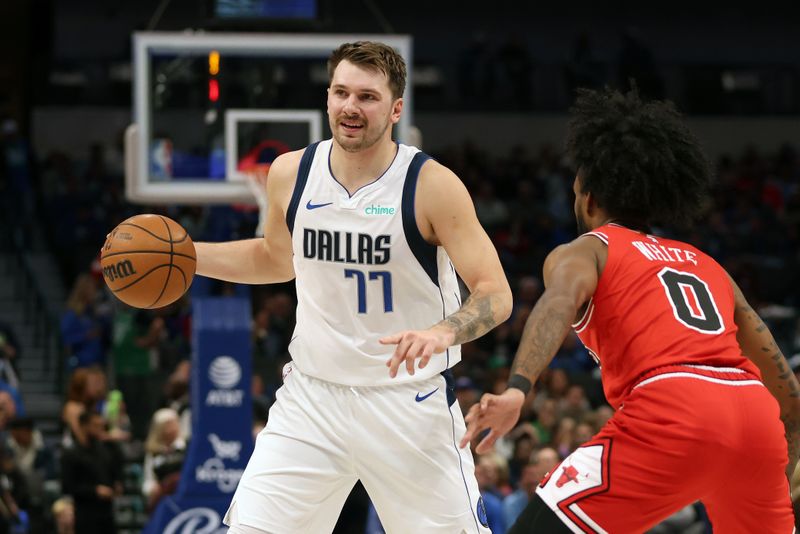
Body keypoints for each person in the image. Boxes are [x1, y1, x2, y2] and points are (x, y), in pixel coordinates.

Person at [194, 41, 512, 533]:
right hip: (312, 398)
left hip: (408, 402)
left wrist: (443, 333)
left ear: (395, 108)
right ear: (327, 98)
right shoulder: (290, 172)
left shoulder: (430, 184)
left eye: (367, 96)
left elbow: (495, 293)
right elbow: (277, 260)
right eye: (341, 92)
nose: (350, 107)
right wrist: (188, 255)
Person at [461, 87, 798, 532]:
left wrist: (519, 388)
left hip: (675, 407)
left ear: (590, 199)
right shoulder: (707, 263)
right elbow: (781, 381)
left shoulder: (589, 250)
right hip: (755, 416)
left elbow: (558, 302)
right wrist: (781, 452)